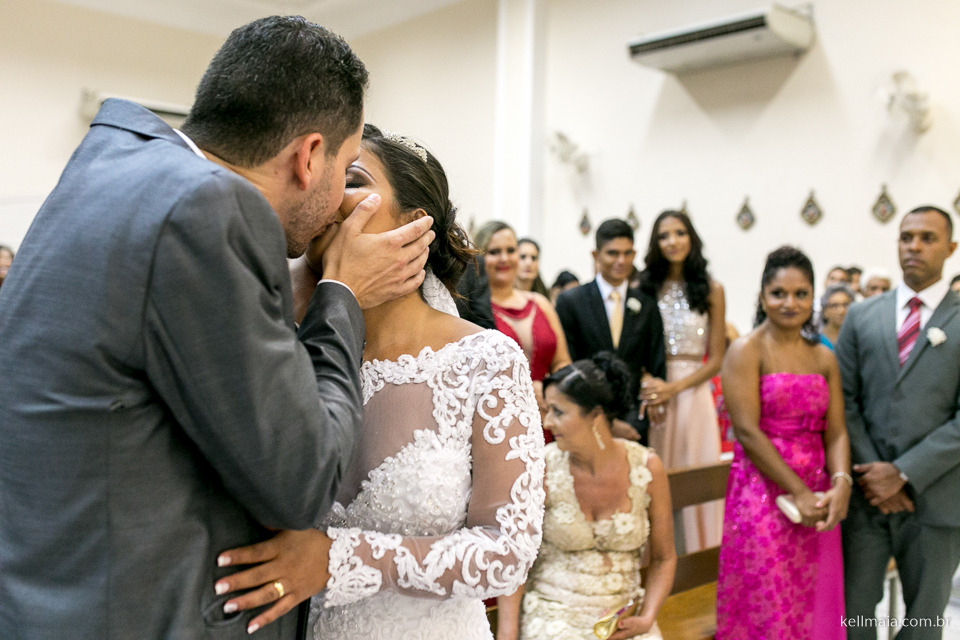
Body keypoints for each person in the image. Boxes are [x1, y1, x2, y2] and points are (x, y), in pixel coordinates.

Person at [0, 17, 436, 639]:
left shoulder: (112, 169)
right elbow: (301, 481)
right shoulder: (207, 209)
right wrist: (341, 293)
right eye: (346, 167)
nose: (342, 198)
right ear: (309, 156)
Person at [215, 125, 545, 640]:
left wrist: (337, 560)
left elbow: (507, 555)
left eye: (349, 179)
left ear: (413, 226)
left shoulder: (485, 361)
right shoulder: (293, 348)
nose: (326, 194)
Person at [837, 206, 960, 640]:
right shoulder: (862, 315)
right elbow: (844, 401)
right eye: (906, 237)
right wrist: (878, 476)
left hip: (936, 496)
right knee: (854, 614)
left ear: (951, 247)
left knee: (924, 618)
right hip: (867, 497)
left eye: (927, 238)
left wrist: (904, 474)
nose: (914, 246)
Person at [717, 246, 851, 640]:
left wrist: (841, 482)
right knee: (769, 601)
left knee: (815, 601)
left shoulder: (823, 357)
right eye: (779, 293)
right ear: (763, 297)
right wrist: (799, 491)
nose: (790, 303)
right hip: (763, 492)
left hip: (818, 493)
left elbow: (838, 430)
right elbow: (747, 432)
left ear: (814, 298)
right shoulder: (746, 350)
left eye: (800, 294)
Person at [496, 354, 676, 640]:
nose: (548, 422)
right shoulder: (540, 469)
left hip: (622, 622)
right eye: (547, 410)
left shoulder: (647, 467)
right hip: (554, 617)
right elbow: (514, 557)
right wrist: (507, 634)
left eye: (558, 411)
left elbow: (665, 558)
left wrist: (647, 617)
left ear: (595, 415)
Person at [638, 210, 726, 552]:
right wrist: (650, 384)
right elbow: (636, 345)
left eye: (679, 233)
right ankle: (655, 560)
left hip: (692, 393)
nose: (672, 241)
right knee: (655, 477)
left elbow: (716, 359)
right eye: (664, 236)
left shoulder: (712, 290)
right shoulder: (645, 288)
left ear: (692, 238)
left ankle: (699, 559)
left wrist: (672, 389)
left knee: (693, 476)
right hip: (654, 391)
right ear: (656, 244)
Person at [555, 219, 667, 444]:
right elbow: (568, 366)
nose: (621, 261)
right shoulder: (571, 302)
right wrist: (605, 422)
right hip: (584, 418)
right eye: (612, 253)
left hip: (636, 421)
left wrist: (638, 418)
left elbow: (656, 364)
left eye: (627, 253)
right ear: (596, 255)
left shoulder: (646, 304)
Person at [475, 221, 572, 425]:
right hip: (499, 418)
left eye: (511, 250)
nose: (504, 258)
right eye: (494, 252)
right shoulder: (473, 311)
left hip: (548, 416)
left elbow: (562, 362)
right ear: (480, 257)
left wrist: (548, 388)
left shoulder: (541, 303)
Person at [819, 283, 855, 350]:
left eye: (845, 305)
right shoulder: (815, 342)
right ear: (824, 311)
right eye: (834, 305)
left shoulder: (856, 339)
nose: (841, 311)